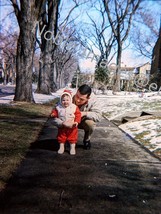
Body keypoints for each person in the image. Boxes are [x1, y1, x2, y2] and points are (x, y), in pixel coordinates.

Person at [51, 90, 81, 155]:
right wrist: (53, 114)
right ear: (61, 100)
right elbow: (55, 112)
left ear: (70, 100)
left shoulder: (74, 107)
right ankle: (61, 147)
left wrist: (76, 122)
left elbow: (78, 115)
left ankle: (72, 147)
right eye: (63, 100)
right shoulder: (58, 107)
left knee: (72, 137)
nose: (65, 102)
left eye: (67, 100)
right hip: (62, 126)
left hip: (72, 126)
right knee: (61, 137)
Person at [72, 84, 102, 149]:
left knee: (91, 124)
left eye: (81, 99)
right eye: (77, 96)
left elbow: (99, 116)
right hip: (70, 119)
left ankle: (86, 140)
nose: (78, 100)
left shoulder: (94, 100)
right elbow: (58, 108)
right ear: (77, 91)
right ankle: (64, 138)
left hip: (83, 120)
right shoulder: (68, 96)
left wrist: (84, 113)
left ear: (88, 98)